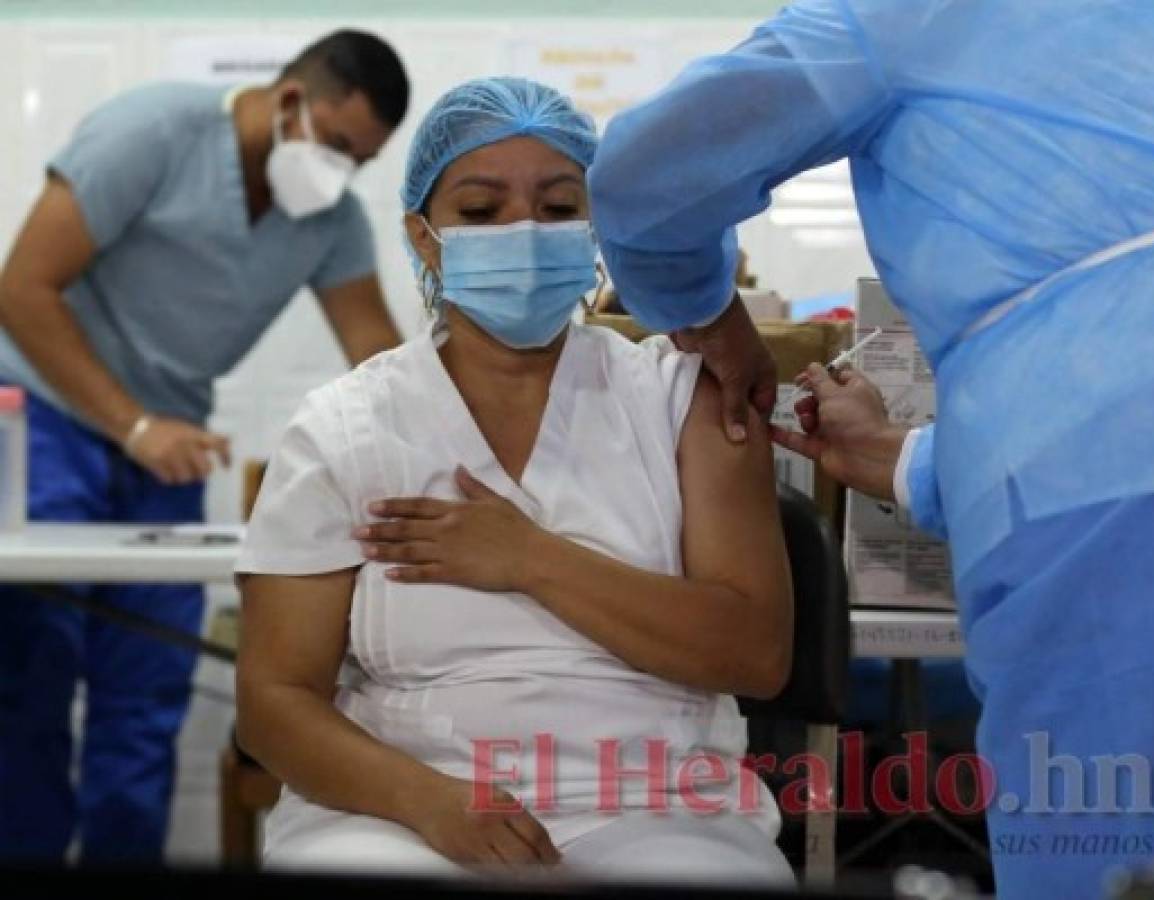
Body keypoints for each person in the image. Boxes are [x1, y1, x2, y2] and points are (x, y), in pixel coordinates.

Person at [587, 2, 1154, 897]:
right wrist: (911, 462)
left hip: (1123, 514)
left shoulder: (906, 13)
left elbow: (645, 177)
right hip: (1116, 482)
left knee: (1122, 846)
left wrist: (706, 317)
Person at [234, 77, 796, 888]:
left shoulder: (684, 400)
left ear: (598, 228)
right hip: (399, 808)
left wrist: (530, 558)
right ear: (425, 239)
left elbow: (755, 653)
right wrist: (428, 801)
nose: (523, 233)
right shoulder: (344, 428)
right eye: (480, 210)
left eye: (559, 207)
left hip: (653, 802)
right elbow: (273, 700)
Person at [0, 31, 408, 862]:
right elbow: (21, 289)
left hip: (167, 453)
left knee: (144, 700)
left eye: (360, 160)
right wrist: (132, 425)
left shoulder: (328, 220)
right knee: (28, 681)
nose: (340, 173)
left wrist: (451, 432)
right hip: (45, 425)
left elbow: (378, 359)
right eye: (336, 145)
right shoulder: (152, 131)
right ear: (289, 100)